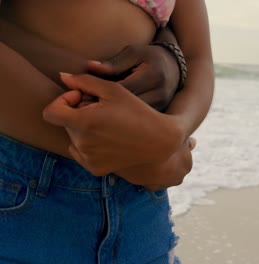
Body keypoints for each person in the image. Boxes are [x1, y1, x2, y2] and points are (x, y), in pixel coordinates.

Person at [0, 0, 214, 263]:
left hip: (140, 206)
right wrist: (133, 154)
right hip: (21, 181)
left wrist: (175, 130)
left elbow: (198, 56)